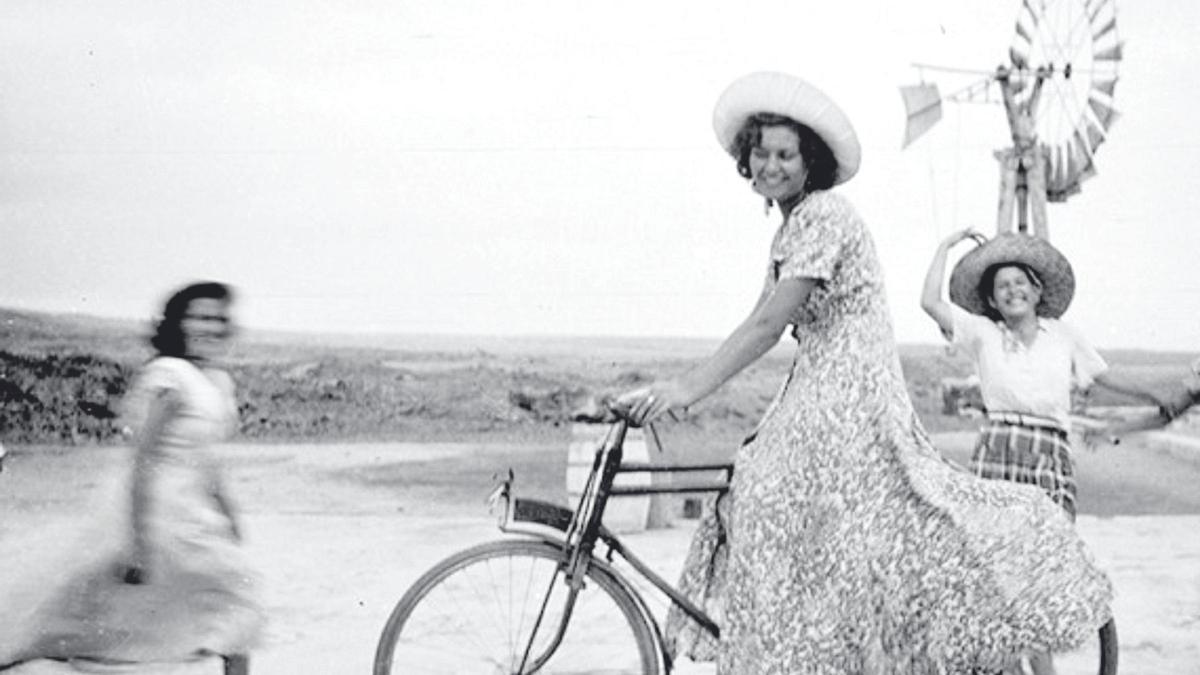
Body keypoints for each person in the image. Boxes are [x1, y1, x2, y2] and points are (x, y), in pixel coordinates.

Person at [616, 71, 1112, 674]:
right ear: (747, 159)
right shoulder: (792, 227)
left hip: (850, 385)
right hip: (822, 379)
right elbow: (762, 318)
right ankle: (808, 644)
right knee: (770, 495)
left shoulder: (824, 214)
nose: (771, 164)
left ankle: (804, 651)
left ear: (808, 164)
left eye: (785, 154)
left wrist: (685, 391)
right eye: (761, 152)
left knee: (774, 493)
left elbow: (767, 325)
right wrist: (683, 388)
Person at [0, 281, 264, 675]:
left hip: (198, 520)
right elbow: (143, 463)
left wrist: (229, 513)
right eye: (199, 317)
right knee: (102, 621)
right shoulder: (169, 376)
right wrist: (140, 542)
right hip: (162, 518)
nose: (209, 327)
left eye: (217, 318)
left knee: (230, 612)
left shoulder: (218, 382)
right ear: (179, 324)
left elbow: (207, 461)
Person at [921, 229, 1187, 519]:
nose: (1013, 291)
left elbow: (1104, 375)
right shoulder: (983, 333)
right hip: (997, 443)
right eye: (1003, 287)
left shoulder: (1064, 335)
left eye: (1020, 283)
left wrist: (1156, 394)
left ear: (1037, 292)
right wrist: (945, 246)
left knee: (1054, 537)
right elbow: (930, 303)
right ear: (993, 301)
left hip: (1049, 448)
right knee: (993, 541)